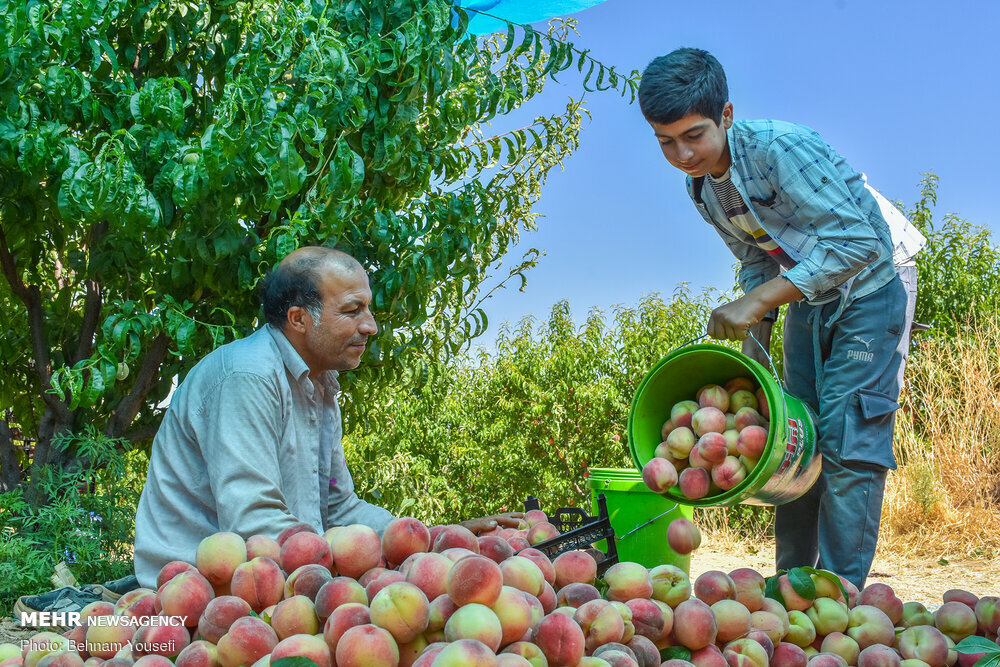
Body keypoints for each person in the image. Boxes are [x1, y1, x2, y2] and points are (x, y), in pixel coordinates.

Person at [636, 48, 924, 589]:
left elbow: (862, 243)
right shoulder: (701, 187)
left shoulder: (779, 148)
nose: (682, 154)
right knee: (798, 433)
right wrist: (755, 343)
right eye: (665, 141)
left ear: (725, 114)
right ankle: (791, 587)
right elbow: (754, 258)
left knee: (846, 441)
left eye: (694, 135)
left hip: (874, 281)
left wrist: (760, 302)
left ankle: (842, 598)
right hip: (808, 292)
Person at [133, 246, 521, 588]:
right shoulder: (247, 376)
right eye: (353, 311)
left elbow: (339, 508)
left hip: (284, 576)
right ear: (299, 319)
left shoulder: (319, 385)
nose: (371, 325)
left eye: (368, 309)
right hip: (194, 591)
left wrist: (431, 539)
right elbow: (253, 524)